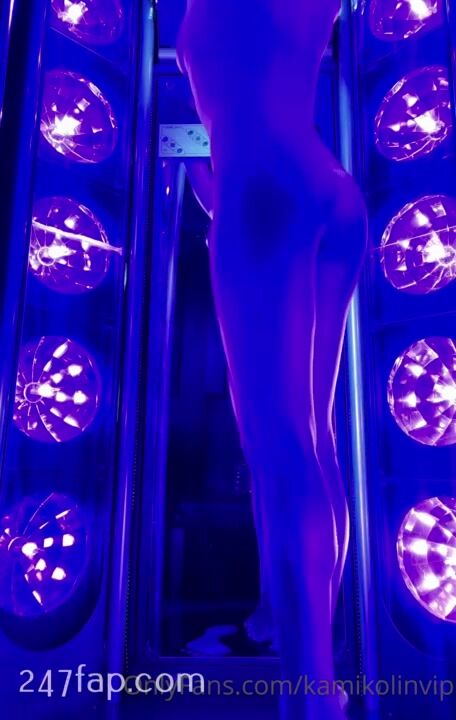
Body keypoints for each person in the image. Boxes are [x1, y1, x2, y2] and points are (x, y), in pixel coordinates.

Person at [177, 1, 367, 718]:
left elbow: (231, 135)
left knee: (280, 452)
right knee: (313, 444)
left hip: (262, 191)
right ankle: (299, 649)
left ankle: (311, 697)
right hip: (327, 186)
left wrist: (226, 201)